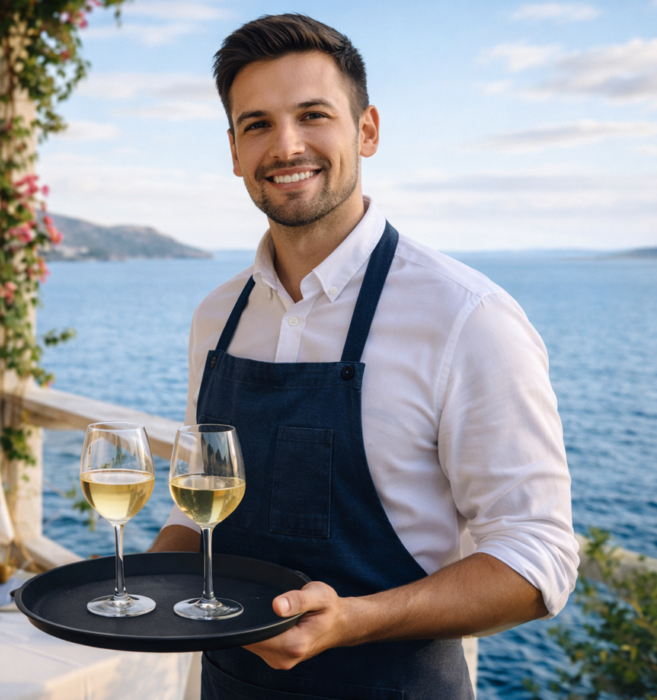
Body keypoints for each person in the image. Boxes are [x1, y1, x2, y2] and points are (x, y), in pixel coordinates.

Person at [147, 14, 578, 699]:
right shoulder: (216, 318)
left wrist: (354, 620)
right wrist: (132, 586)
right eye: (256, 124)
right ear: (233, 150)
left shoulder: (467, 317)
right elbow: (201, 509)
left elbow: (538, 559)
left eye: (312, 115)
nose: (286, 146)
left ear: (367, 130)